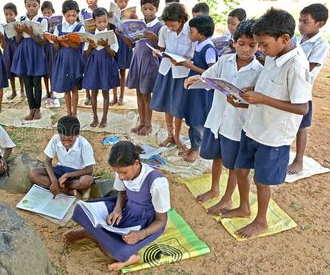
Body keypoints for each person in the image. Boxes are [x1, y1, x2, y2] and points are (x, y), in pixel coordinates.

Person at [221, 9, 312, 238]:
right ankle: (243, 207)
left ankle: (261, 220)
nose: (260, 50)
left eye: (263, 44)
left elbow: (302, 108)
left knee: (262, 180)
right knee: (241, 170)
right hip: (253, 127)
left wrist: (262, 98)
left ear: (284, 38)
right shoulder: (273, 55)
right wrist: (254, 91)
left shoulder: (297, 65)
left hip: (273, 135)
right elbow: (267, 84)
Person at [184, 20, 262, 214]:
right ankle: (214, 188)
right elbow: (210, 77)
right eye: (241, 44)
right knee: (216, 156)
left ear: (258, 45)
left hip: (236, 125)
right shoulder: (225, 60)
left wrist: (244, 101)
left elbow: (258, 100)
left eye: (252, 45)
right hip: (217, 119)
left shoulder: (259, 71)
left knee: (234, 164)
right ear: (233, 43)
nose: (246, 49)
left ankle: (227, 198)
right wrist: (197, 78)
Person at [64, 141, 170, 271]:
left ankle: (93, 235)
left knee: (118, 252)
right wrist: (117, 209)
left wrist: (141, 234)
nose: (120, 176)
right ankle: (95, 234)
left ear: (136, 164)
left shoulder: (157, 182)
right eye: (117, 172)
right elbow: (122, 192)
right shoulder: (121, 169)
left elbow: (161, 220)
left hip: (145, 221)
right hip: (125, 207)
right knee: (81, 209)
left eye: (123, 173)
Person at [288, 3, 329, 174]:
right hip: (288, 87)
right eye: (299, 20)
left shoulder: (321, 44)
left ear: (319, 24)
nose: (300, 24)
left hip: (303, 92)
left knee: (301, 127)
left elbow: (308, 67)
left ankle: (299, 160)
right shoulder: (297, 39)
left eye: (305, 21)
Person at [150, 2, 194, 150]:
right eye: (168, 25)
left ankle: (177, 136)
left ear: (182, 19)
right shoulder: (164, 30)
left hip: (181, 73)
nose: (170, 28)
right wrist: (156, 51)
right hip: (167, 71)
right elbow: (162, 48)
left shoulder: (190, 32)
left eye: (173, 25)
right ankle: (170, 135)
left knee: (178, 106)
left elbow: (192, 56)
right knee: (167, 105)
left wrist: (182, 61)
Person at [124, 0, 164, 136]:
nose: (147, 12)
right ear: (141, 8)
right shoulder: (138, 24)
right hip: (137, 60)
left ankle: (148, 124)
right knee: (138, 94)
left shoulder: (160, 26)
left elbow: (161, 49)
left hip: (150, 63)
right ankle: (141, 122)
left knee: (146, 94)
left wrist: (154, 38)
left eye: (151, 9)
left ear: (157, 9)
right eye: (144, 8)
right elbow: (131, 44)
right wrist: (122, 33)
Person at [180, 15, 218, 162]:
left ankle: (198, 149)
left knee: (198, 120)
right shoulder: (200, 45)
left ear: (201, 33)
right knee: (192, 118)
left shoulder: (209, 49)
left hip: (202, 91)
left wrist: (190, 66)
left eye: (192, 31)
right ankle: (193, 146)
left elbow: (212, 72)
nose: (190, 34)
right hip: (194, 89)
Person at [28, 116, 95, 197]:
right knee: (33, 174)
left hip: (77, 174)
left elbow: (89, 170)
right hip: (60, 170)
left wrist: (67, 175)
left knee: (87, 180)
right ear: (59, 134)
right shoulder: (55, 139)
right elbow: (47, 161)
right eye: (63, 140)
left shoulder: (84, 145)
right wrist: (54, 181)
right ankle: (66, 191)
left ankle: (61, 187)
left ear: (77, 134)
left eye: (70, 140)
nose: (66, 143)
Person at [11, 0, 48, 121]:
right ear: (25, 6)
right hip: (24, 52)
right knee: (27, 82)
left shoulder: (42, 20)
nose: (31, 8)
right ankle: (31, 109)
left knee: (37, 82)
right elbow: (18, 40)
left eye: (34, 5)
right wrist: (19, 33)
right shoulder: (21, 19)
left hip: (36, 51)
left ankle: (38, 109)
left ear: (39, 6)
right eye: (29, 5)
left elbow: (43, 42)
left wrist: (31, 33)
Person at [82, 7, 120, 128]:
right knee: (93, 92)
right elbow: (86, 54)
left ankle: (104, 118)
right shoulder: (90, 35)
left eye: (104, 21)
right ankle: (95, 117)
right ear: (94, 22)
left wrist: (107, 46)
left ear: (107, 20)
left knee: (105, 91)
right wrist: (91, 47)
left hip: (106, 65)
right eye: (99, 22)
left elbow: (114, 54)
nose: (102, 24)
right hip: (94, 65)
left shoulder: (111, 35)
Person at [51, 0, 85, 117]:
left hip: (74, 60)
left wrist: (67, 40)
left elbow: (77, 45)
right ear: (63, 14)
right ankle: (68, 112)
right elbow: (56, 47)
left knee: (74, 87)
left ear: (77, 14)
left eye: (74, 15)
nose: (71, 18)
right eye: (68, 15)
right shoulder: (59, 27)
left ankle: (74, 112)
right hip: (63, 59)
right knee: (66, 88)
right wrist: (56, 41)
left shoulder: (80, 28)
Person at [111, 0, 133, 106]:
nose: (123, 4)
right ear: (115, 1)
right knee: (114, 70)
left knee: (123, 70)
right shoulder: (112, 12)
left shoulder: (131, 14)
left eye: (126, 1)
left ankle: (121, 96)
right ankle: (114, 96)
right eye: (120, 1)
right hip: (114, 42)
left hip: (125, 42)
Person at [80, 0, 100, 106]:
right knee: (86, 69)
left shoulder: (101, 11)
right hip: (87, 43)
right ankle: (87, 95)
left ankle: (94, 95)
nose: (91, 0)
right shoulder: (82, 12)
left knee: (95, 69)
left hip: (98, 43)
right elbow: (82, 27)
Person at [3, 2, 24, 100]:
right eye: (6, 14)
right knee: (9, 71)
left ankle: (22, 90)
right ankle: (14, 91)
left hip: (17, 49)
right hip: (8, 50)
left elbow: (20, 39)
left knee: (20, 71)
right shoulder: (3, 26)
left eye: (11, 14)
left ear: (15, 14)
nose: (8, 16)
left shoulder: (19, 25)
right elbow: (2, 41)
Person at [42, 1, 56, 99]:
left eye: (49, 12)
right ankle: (47, 91)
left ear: (52, 12)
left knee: (51, 70)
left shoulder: (55, 21)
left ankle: (52, 91)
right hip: (43, 47)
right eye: (45, 13)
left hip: (52, 47)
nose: (47, 15)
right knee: (45, 71)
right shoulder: (41, 21)